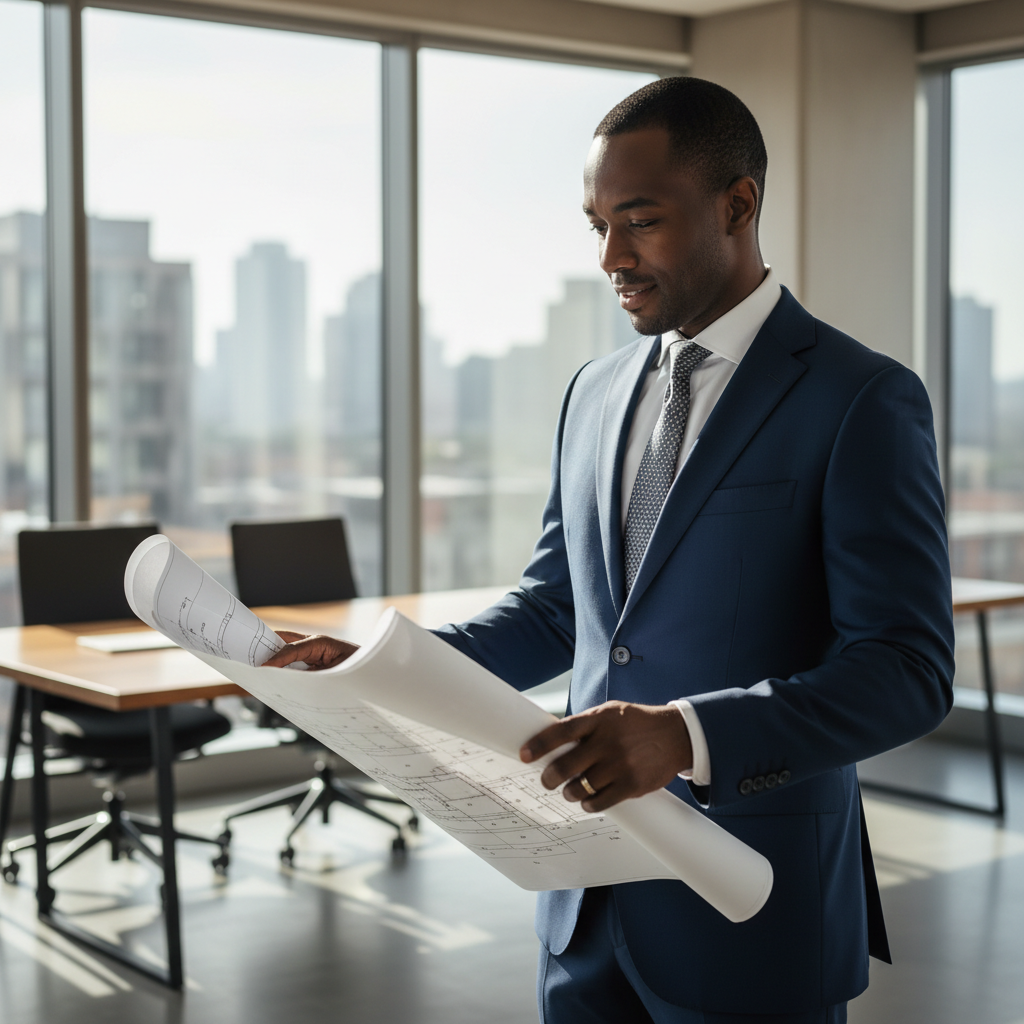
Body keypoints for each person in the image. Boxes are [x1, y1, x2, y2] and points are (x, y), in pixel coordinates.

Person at [265, 77, 955, 1024]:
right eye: (596, 225)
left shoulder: (860, 398)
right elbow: (558, 610)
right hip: (582, 909)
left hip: (749, 906)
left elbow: (907, 670)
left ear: (738, 205)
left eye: (639, 221)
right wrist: (383, 670)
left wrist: (684, 735)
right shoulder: (593, 392)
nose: (610, 257)